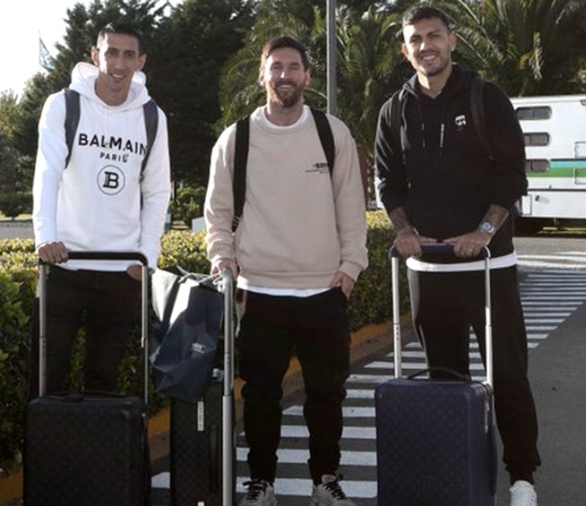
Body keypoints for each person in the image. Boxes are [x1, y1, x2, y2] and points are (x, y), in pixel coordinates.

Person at [374, 5, 540, 506]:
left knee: (507, 375)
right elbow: (388, 183)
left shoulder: (486, 98)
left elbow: (512, 176)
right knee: (446, 380)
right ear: (405, 50)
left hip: (489, 266)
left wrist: (484, 231)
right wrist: (405, 231)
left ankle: (522, 479)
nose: (426, 46)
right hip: (429, 267)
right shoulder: (394, 111)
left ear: (451, 41)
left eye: (434, 36)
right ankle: (458, 476)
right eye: (416, 39)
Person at [204, 36, 368, 506]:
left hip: (323, 292)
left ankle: (325, 482)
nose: (284, 75)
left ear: (307, 76)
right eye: (275, 67)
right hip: (259, 293)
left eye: (293, 67)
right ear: (262, 75)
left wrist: (350, 267)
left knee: (327, 397)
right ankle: (262, 484)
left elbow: (351, 207)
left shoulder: (331, 133)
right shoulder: (237, 138)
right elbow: (217, 211)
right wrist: (222, 257)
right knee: (260, 397)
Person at [32, 20, 171, 394]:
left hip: (122, 272)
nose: (119, 64)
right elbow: (47, 173)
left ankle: (102, 436)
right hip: (64, 265)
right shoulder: (64, 104)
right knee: (46, 380)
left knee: (104, 382)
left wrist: (147, 257)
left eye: (128, 55)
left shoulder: (152, 117)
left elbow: (157, 192)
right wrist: (45, 237)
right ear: (95, 55)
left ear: (141, 61)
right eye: (111, 53)